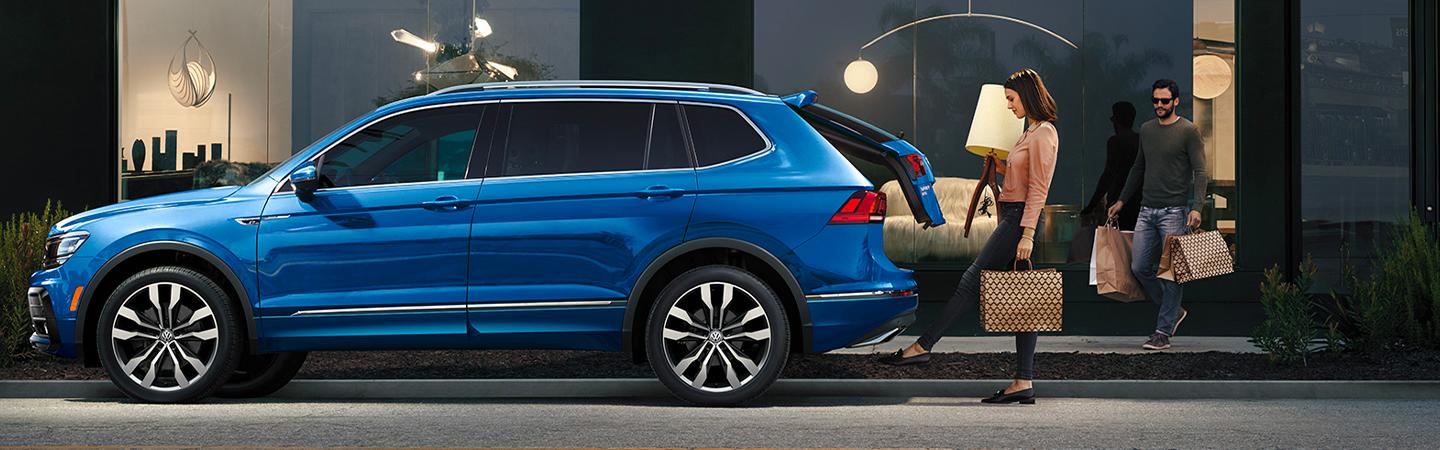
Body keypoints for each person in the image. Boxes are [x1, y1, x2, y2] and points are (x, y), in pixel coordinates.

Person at [880, 68, 1060, 405]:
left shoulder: (1045, 133)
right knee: (1025, 303)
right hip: (1010, 215)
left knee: (970, 281)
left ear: (1027, 95)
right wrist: (1000, 167)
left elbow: (1039, 188)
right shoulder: (1029, 132)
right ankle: (1024, 381)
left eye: (1011, 99)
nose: (1008, 106)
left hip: (1018, 220)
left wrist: (1027, 234)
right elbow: (1022, 178)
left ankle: (922, 347)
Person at [1107, 79, 1208, 351]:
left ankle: (1162, 332)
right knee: (1139, 267)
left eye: (1165, 101)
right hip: (1146, 210)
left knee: (1171, 273)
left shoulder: (1188, 131)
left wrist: (1197, 207)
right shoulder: (1148, 130)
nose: (1159, 105)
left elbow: (1200, 171)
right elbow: (1138, 168)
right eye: (1155, 101)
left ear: (1176, 101)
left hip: (1174, 212)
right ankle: (1173, 311)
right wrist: (1121, 201)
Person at [1081, 101, 1140, 230]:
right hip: (1137, 201)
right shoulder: (1139, 140)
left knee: (1116, 243)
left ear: (1117, 121)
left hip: (1118, 201)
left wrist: (1091, 205)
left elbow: (1108, 175)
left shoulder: (1115, 142)